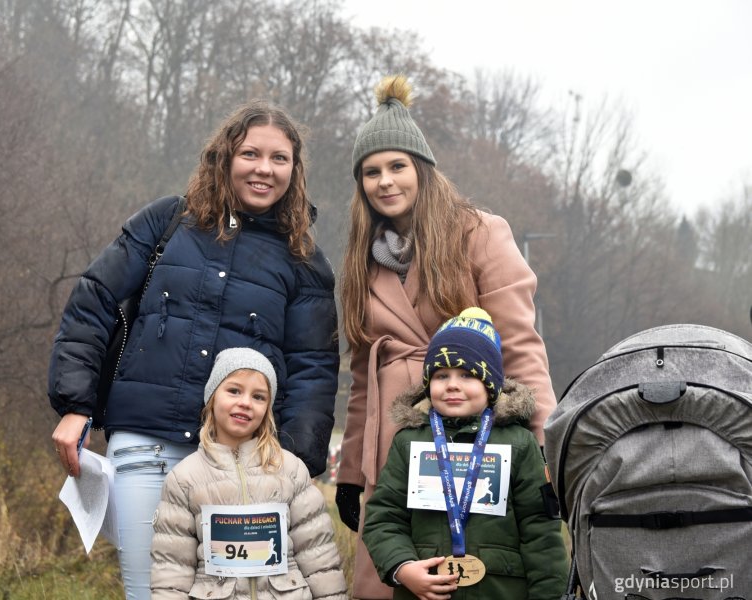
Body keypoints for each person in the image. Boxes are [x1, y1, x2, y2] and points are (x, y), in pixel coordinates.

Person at [48, 102, 340, 600]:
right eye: (251, 153)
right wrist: (75, 405)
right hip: (145, 446)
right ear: (225, 156)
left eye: (279, 158)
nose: (264, 169)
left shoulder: (304, 261)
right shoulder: (166, 222)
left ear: (295, 170)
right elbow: (94, 300)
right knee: (151, 593)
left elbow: (314, 369)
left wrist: (291, 462)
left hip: (240, 464)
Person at [335, 74, 558, 598]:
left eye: (397, 167)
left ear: (423, 171)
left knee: (480, 565)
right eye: (371, 172)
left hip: (475, 433)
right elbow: (364, 376)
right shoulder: (362, 260)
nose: (385, 181)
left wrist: (542, 445)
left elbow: (520, 346)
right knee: (393, 567)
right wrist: (350, 470)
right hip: (399, 433)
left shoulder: (479, 232)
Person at [361, 308, 568, 600]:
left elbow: (540, 533)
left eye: (468, 375)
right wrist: (403, 567)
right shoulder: (408, 443)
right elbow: (384, 517)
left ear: (491, 386)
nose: (452, 385)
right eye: (441, 375)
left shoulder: (520, 444)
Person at [150, 348, 347, 599]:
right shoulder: (184, 478)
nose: (245, 402)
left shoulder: (291, 471)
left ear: (268, 407)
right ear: (212, 396)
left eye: (259, 397)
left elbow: (318, 557)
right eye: (234, 390)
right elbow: (172, 570)